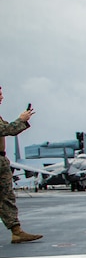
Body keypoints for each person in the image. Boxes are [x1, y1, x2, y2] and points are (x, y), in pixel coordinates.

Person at [0, 85, 43, 244]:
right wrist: (21, 120)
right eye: (0, 94)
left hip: (2, 161)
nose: (2, 97)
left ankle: (16, 231)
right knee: (5, 197)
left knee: (7, 197)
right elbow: (7, 130)